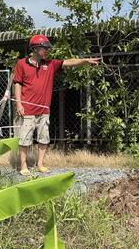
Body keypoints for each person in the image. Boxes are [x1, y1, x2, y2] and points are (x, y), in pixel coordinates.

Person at [13, 35, 100, 175]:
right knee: (25, 139)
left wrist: (84, 61)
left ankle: (40, 164)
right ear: (35, 48)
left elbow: (68, 62)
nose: (47, 51)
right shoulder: (21, 64)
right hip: (27, 109)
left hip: (44, 110)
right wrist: (19, 104)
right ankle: (23, 166)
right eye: (44, 48)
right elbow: (17, 84)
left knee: (44, 138)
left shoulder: (50, 64)